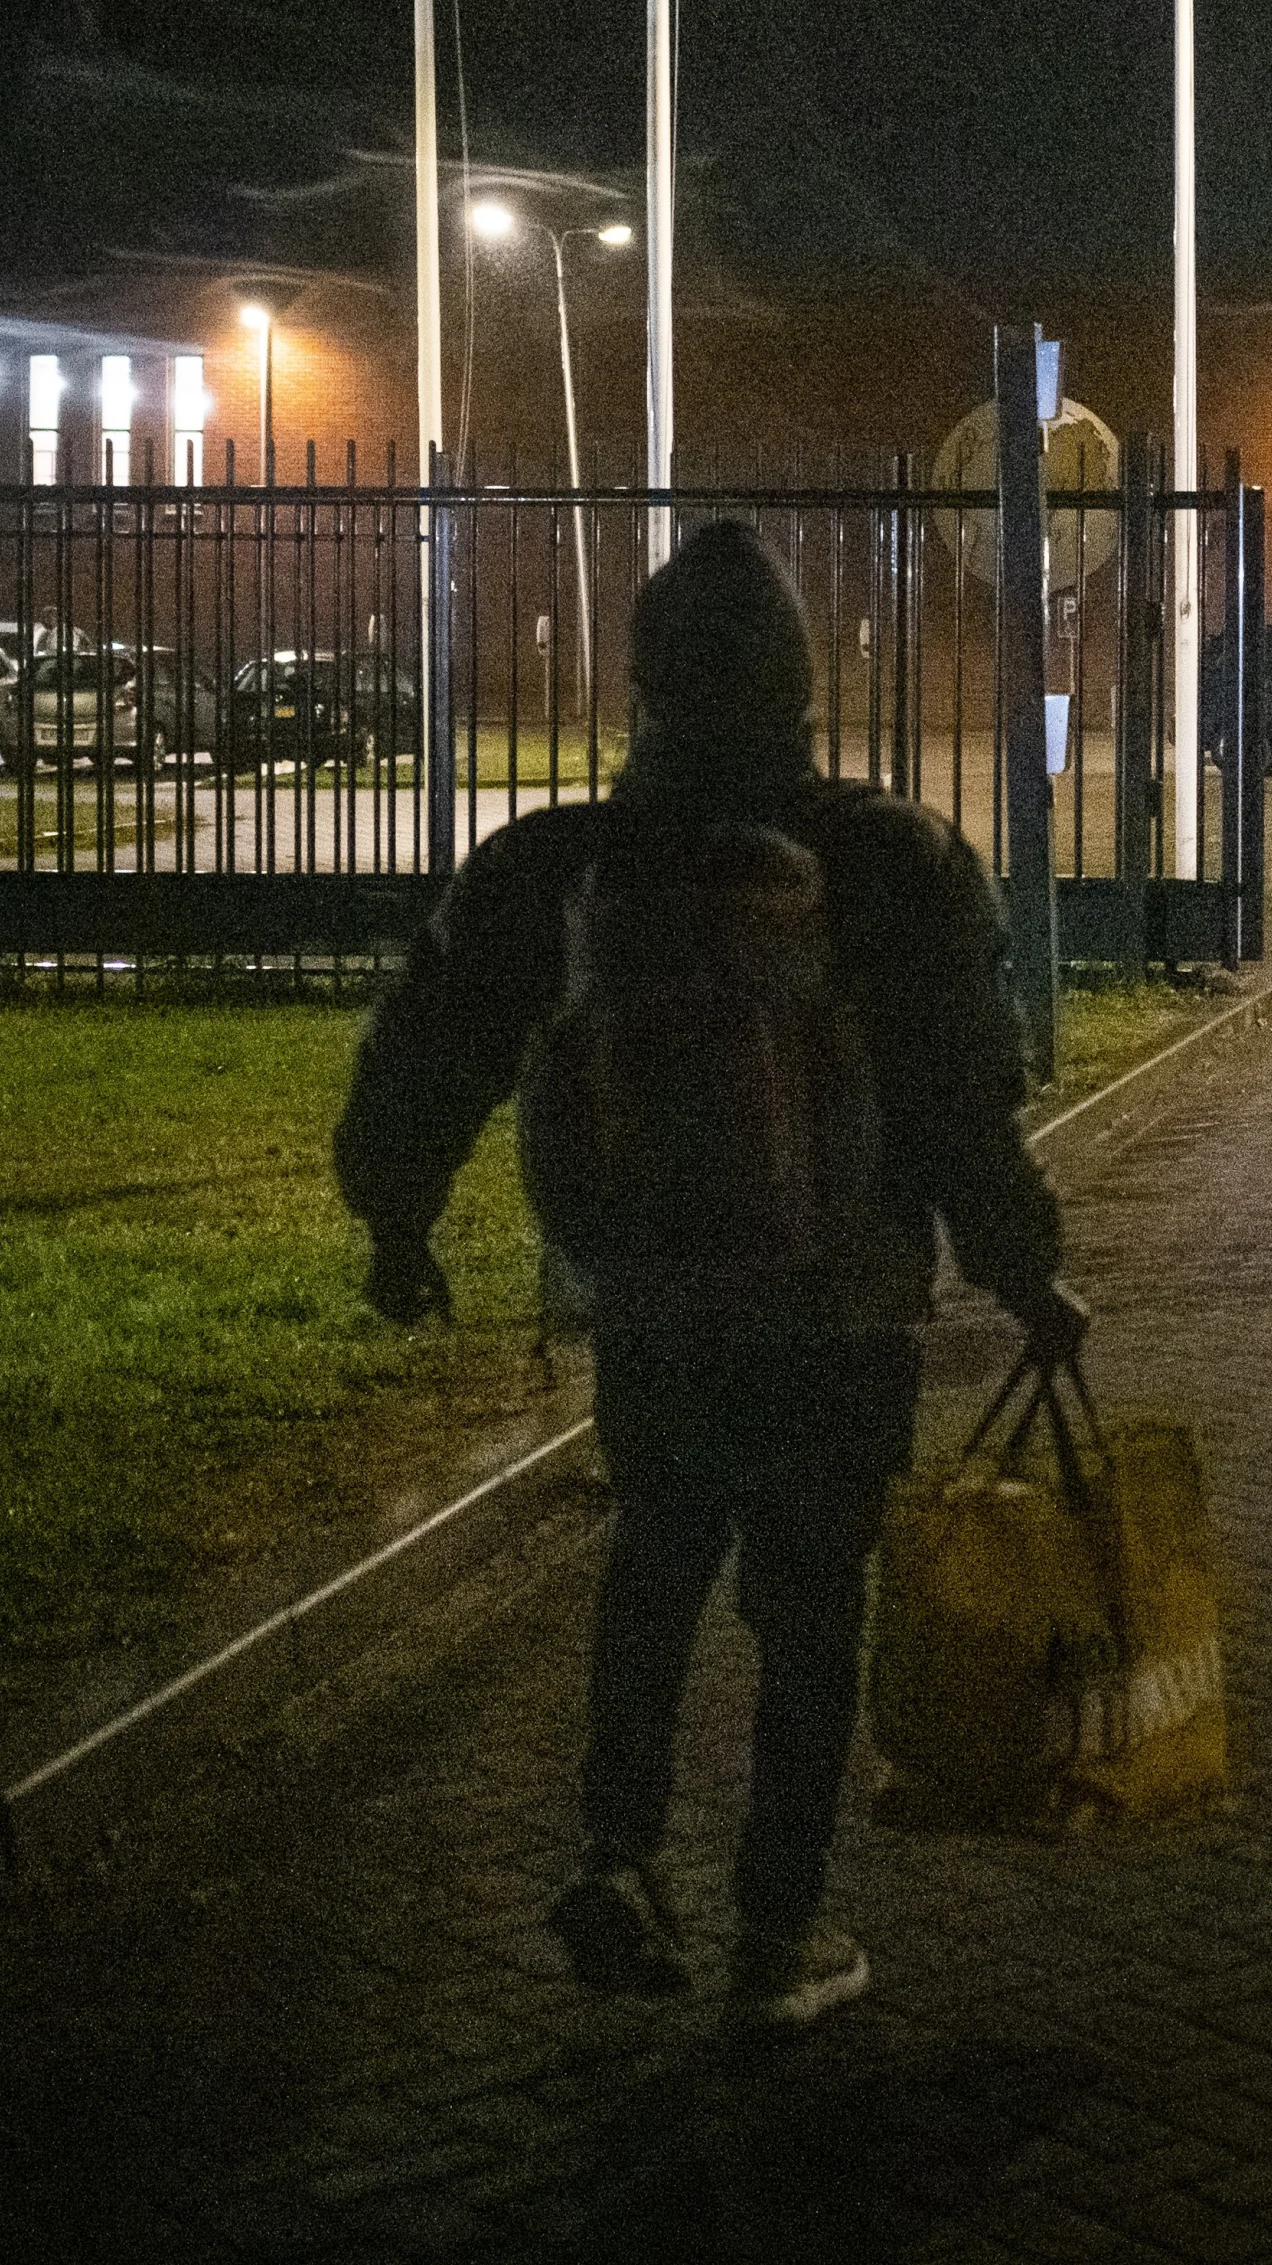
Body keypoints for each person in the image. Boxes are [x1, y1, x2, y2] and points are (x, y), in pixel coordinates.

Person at [334, 519, 1085, 2036]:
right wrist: (1029, 1276)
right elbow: (960, 1107)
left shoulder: (559, 865)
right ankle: (780, 1926)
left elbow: (425, 1051)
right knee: (811, 1607)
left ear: (647, 682)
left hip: (657, 1296)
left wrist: (396, 1222)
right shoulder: (892, 857)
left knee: (657, 1561)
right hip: (841, 1305)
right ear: (800, 682)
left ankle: (616, 1847)